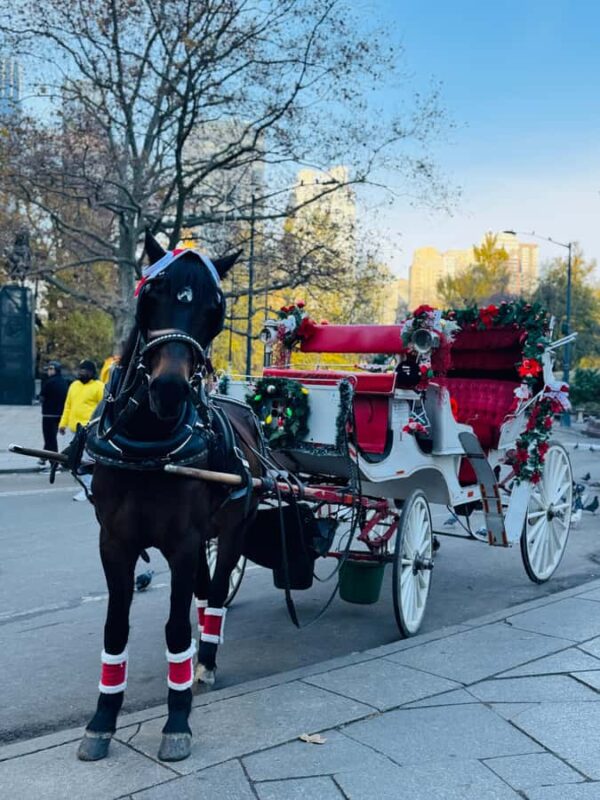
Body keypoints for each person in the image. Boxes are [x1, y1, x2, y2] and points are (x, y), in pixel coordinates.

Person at [59, 360, 105, 502]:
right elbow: (68, 406)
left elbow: (105, 408)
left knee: (83, 461)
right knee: (77, 460)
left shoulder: (99, 387)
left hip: (91, 430)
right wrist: (63, 423)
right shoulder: (74, 386)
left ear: (92, 372)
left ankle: (90, 489)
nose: (82, 373)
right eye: (80, 370)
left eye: (85, 371)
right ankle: (91, 487)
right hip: (75, 430)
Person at [37, 361, 69, 466]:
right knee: (51, 438)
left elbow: (41, 397)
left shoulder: (48, 382)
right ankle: (43, 458)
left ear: (56, 370)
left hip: (48, 415)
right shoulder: (64, 382)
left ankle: (54, 462)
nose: (49, 371)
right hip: (59, 414)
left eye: (51, 369)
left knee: (50, 439)